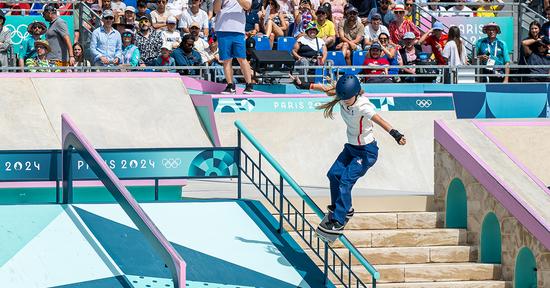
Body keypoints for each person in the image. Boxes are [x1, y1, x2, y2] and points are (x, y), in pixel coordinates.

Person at [315, 74, 406, 236]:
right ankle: (342, 208)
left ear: (356, 94)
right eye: (342, 98)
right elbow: (324, 88)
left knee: (345, 181)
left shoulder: (364, 106)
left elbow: (380, 120)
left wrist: (396, 134)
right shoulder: (343, 96)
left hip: (366, 152)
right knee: (333, 174)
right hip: (350, 148)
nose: (344, 101)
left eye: (348, 99)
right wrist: (302, 84)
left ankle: (339, 221)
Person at [214, 0, 254, 94]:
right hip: (222, 29)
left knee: (241, 58)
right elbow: (216, 9)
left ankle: (249, 84)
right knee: (226, 59)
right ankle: (230, 86)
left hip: (238, 30)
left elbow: (247, 6)